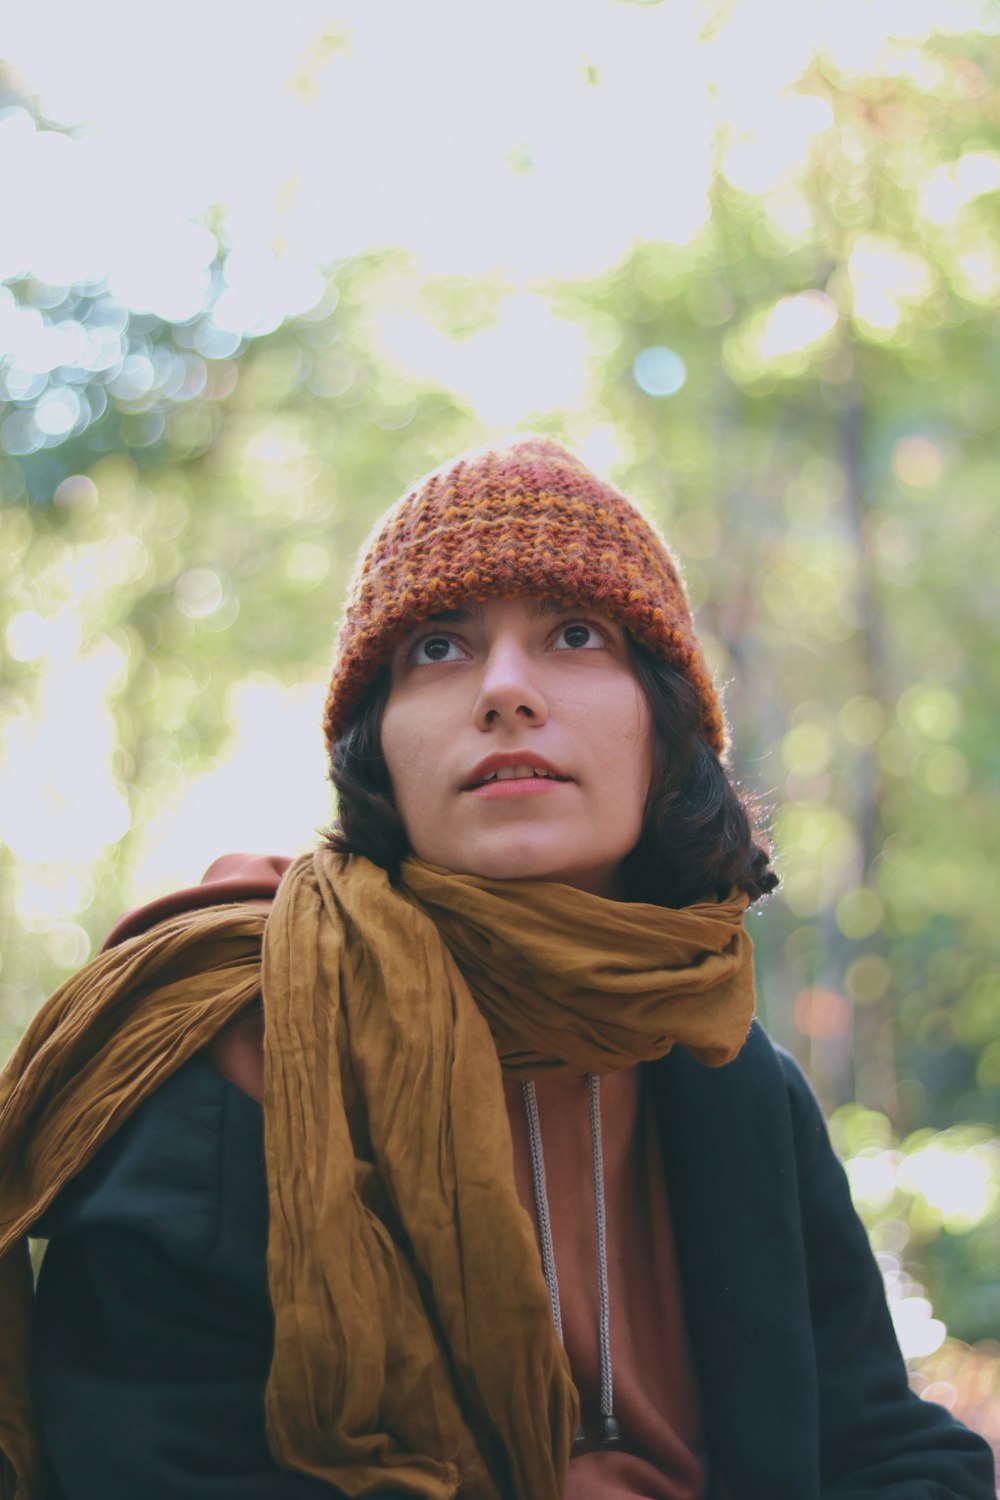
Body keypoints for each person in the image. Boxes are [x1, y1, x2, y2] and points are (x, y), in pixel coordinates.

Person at [0, 437, 993, 1500]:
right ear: (373, 746)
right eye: (437, 647)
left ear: (666, 732)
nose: (505, 692)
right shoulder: (234, 1043)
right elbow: (154, 1467)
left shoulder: (729, 1071)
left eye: (575, 635)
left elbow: (883, 1447)